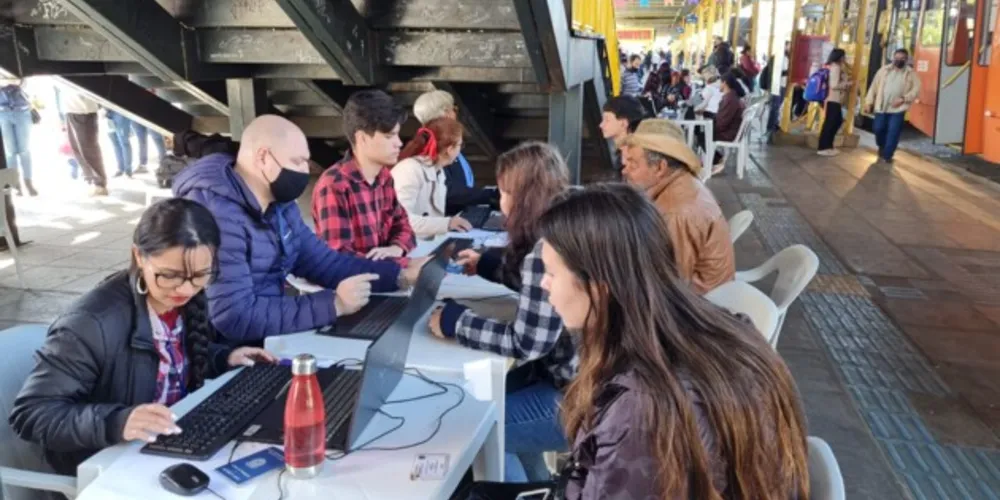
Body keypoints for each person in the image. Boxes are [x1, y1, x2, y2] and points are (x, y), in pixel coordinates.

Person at [535, 184, 809, 498]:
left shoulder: (641, 412)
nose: (545, 285)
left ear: (599, 286)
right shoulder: (725, 328)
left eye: (551, 273)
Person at [9, 198, 279, 476]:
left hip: (165, 445)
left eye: (200, 276)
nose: (186, 288)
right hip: (108, 465)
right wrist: (115, 422)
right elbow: (31, 414)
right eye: (170, 275)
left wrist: (223, 357)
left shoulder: (180, 300)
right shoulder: (92, 324)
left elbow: (168, 360)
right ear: (139, 256)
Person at [172, 114, 424, 344]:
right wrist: (333, 305)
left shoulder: (278, 203)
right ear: (263, 157)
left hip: (270, 336)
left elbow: (324, 263)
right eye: (297, 161)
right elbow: (232, 315)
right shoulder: (214, 214)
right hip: (228, 352)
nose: (305, 171)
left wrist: (400, 274)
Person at [427, 142, 575, 482]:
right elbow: (536, 287)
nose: (500, 200)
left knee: (481, 428)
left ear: (526, 197)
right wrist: (487, 265)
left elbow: (527, 343)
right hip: (589, 385)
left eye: (506, 192)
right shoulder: (566, 221)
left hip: (577, 397)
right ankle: (539, 487)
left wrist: (456, 322)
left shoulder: (547, 247)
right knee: (507, 414)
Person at [620, 119, 735, 294]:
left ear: (660, 167)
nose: (624, 170)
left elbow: (668, 285)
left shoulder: (676, 213)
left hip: (700, 307)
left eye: (633, 164)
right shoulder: (682, 182)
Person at [312, 90, 416, 263]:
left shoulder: (384, 177)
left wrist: (396, 248)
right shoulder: (334, 185)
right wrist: (403, 267)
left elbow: (404, 227)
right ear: (362, 138)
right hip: (353, 286)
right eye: (389, 136)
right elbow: (339, 258)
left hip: (384, 278)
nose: (399, 143)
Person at [411, 90, 499, 215]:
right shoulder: (430, 147)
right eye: (454, 109)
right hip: (444, 221)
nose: (455, 113)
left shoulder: (437, 141)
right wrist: (490, 195)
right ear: (447, 114)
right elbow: (447, 191)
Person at [391, 117, 472, 238]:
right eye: (460, 145)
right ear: (450, 149)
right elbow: (401, 221)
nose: (460, 149)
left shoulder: (438, 170)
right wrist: (447, 223)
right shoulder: (409, 170)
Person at [865, 48, 920, 165]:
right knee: (878, 129)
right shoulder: (883, 71)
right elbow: (874, 87)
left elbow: (916, 90)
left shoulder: (911, 73)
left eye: (902, 59)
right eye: (897, 58)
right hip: (881, 107)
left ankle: (887, 155)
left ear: (906, 60)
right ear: (893, 58)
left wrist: (903, 99)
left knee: (893, 132)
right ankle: (881, 145)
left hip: (898, 109)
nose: (899, 61)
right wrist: (868, 102)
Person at [62, 86, 108, 196]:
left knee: (88, 149)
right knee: (77, 149)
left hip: (83, 110)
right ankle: (91, 181)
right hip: (72, 109)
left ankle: (99, 184)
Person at [0, 80, 36, 196]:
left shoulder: (14, 65)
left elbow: (23, 81)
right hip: (2, 113)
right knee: (10, 151)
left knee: (24, 149)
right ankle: (16, 184)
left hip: (22, 111)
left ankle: (28, 182)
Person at [818, 48, 852, 156]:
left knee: (834, 122)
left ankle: (828, 146)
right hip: (832, 99)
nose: (844, 58)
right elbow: (834, 85)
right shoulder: (836, 67)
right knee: (832, 123)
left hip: (828, 99)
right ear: (840, 57)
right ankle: (824, 147)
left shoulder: (828, 65)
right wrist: (847, 84)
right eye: (844, 56)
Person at [598, 95, 647, 170]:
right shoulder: (626, 150)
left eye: (607, 120)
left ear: (624, 123)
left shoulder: (638, 157)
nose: (601, 125)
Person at [711, 72, 747, 173]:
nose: (718, 85)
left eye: (720, 82)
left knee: (702, 132)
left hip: (728, 133)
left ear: (725, 83)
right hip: (730, 130)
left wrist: (710, 124)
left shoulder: (730, 99)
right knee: (702, 129)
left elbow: (722, 123)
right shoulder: (731, 96)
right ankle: (715, 158)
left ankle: (716, 160)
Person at [106, 109, 134, 178]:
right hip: (107, 113)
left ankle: (128, 170)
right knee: (115, 144)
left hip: (120, 112)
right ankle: (120, 168)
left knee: (124, 143)